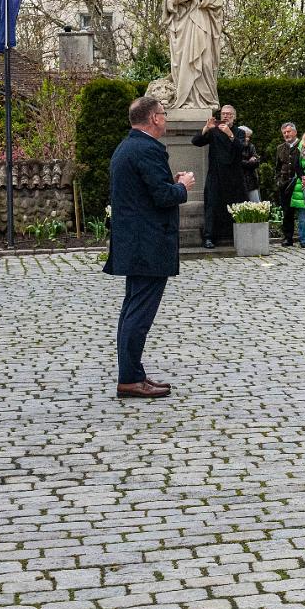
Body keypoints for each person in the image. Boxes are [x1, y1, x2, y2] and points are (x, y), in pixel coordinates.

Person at [106, 95, 194, 398]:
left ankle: (134, 373)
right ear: (154, 118)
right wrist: (183, 187)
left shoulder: (128, 146)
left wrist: (171, 183)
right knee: (138, 315)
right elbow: (162, 196)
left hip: (136, 242)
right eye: (163, 114)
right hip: (147, 244)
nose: (166, 119)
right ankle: (129, 378)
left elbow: (146, 191)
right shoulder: (146, 149)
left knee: (133, 311)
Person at [190, 104, 241, 249]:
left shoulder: (239, 132)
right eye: (223, 114)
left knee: (234, 205)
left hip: (233, 176)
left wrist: (230, 135)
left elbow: (241, 149)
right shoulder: (214, 131)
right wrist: (206, 128)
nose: (226, 116)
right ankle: (209, 237)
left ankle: (232, 236)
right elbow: (196, 141)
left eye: (229, 114)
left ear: (234, 117)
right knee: (212, 205)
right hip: (215, 174)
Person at [272, 122, 301, 247]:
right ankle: (287, 237)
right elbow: (278, 167)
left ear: (295, 132)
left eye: (289, 132)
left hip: (300, 183)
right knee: (287, 212)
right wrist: (278, 181)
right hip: (284, 185)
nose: (286, 134)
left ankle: (304, 236)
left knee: (303, 211)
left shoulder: (303, 145)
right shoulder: (280, 148)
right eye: (284, 132)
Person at [236, 126, 261, 202]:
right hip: (239, 181)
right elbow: (237, 162)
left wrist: (253, 161)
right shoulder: (235, 147)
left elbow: (257, 162)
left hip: (251, 181)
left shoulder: (251, 146)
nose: (247, 139)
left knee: (255, 205)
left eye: (248, 137)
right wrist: (249, 162)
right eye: (245, 136)